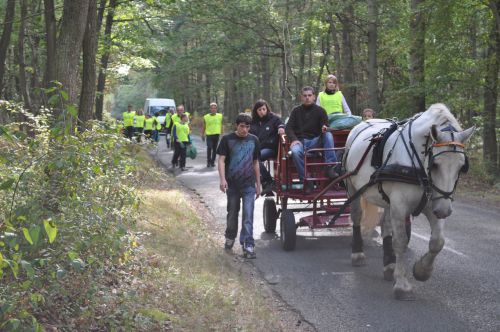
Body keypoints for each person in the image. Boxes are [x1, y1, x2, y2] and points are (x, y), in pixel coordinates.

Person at [217, 113, 261, 259]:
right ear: (236, 125)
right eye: (242, 126)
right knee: (232, 213)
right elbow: (221, 160)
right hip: (233, 184)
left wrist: (258, 184)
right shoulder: (227, 139)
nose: (245, 130)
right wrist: (222, 179)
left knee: (248, 215)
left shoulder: (254, 140)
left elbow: (255, 163)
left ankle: (248, 244)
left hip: (249, 185)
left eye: (247, 127)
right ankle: (230, 237)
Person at [285, 86, 339, 189]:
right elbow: (288, 128)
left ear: (314, 97)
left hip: (315, 141)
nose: (307, 98)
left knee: (328, 134)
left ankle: (330, 167)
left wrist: (324, 128)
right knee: (295, 152)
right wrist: (294, 139)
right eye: (305, 96)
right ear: (301, 97)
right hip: (300, 142)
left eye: (309, 95)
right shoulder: (296, 111)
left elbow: (325, 126)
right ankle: (305, 179)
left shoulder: (321, 111)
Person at [250, 99, 284, 195]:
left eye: (264, 109)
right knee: (251, 158)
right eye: (259, 110)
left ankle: (268, 182)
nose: (262, 112)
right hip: (257, 148)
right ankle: (267, 184)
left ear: (267, 109)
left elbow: (281, 124)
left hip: (270, 148)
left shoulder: (273, 118)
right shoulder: (253, 122)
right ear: (256, 111)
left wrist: (281, 127)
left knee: (255, 158)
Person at [202, 102, 223, 167]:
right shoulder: (206, 117)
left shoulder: (220, 116)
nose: (213, 109)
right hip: (209, 134)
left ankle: (213, 162)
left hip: (216, 134)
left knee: (214, 149)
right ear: (210, 109)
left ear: (216, 109)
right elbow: (204, 126)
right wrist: (202, 134)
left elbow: (221, 125)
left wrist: (222, 133)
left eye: (215, 108)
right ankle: (208, 161)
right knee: (209, 147)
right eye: (212, 108)